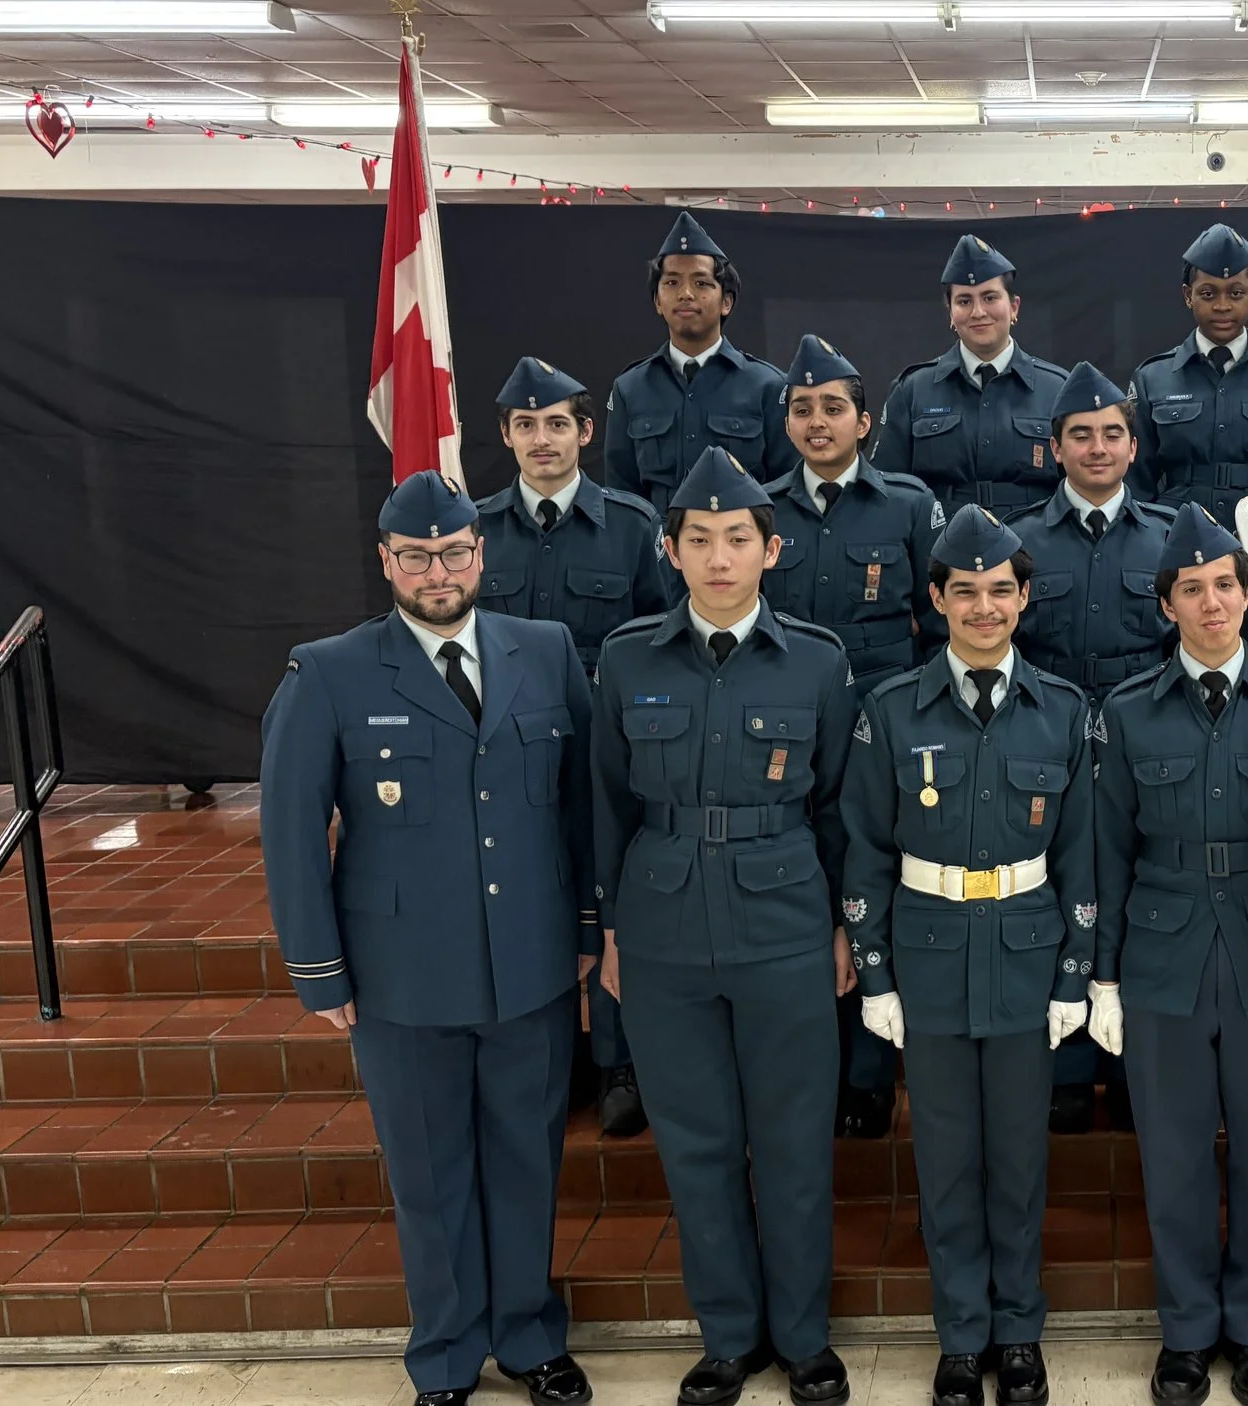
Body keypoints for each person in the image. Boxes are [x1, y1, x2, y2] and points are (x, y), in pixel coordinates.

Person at [259, 471, 595, 1406]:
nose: (437, 572)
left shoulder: (546, 651)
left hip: (528, 965)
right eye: (416, 557)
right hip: (400, 976)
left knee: (528, 1164)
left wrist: (585, 929)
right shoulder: (329, 671)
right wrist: (321, 972)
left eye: (452, 553)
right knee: (430, 1177)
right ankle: (445, 1353)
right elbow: (291, 832)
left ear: (481, 554)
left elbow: (580, 808)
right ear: (385, 562)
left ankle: (528, 1338)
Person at [590, 447, 856, 1406]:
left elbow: (840, 808)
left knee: (793, 1142)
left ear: (771, 550)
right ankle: (728, 1338)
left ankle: (804, 1338)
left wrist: (843, 927)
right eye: (698, 539)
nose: (717, 557)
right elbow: (606, 804)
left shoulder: (818, 660)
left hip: (785, 921)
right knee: (695, 1144)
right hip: (662, 927)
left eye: (736, 538)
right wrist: (609, 930)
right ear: (669, 551)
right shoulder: (626, 658)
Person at [840, 504, 1095, 1406]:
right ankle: (961, 1335)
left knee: (1019, 1159)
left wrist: (1075, 972)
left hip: (1026, 956)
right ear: (937, 599)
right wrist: (874, 971)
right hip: (930, 958)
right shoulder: (890, 711)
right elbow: (866, 847)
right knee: (946, 1160)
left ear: (1024, 598)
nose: (984, 608)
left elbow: (1081, 854)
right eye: (965, 592)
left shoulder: (1063, 710)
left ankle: (1017, 1330)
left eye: (1000, 591)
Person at [1088, 503, 1248, 1406]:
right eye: (1190, 589)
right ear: (1166, 607)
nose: (1211, 603)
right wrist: (1103, 976)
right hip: (1166, 957)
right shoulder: (1128, 713)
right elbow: (1107, 850)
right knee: (1176, 1157)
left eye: (1225, 585)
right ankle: (1189, 1332)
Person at [473, 354, 673, 1141]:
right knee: (528, 892)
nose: (542, 438)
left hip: (606, 747)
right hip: (507, 752)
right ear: (505, 436)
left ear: (586, 433)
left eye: (557, 423)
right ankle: (552, 1058)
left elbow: (659, 637)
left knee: (610, 889)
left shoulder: (632, 525)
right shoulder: (475, 531)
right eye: (526, 425)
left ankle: (620, 1063)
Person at [760, 332, 949, 1140]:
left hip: (882, 721)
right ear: (787, 423)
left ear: (864, 423)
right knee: (805, 888)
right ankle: (813, 1068)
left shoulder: (906, 504)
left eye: (833, 407)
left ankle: (871, 1075)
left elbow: (940, 619)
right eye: (803, 408)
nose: (818, 421)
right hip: (786, 728)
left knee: (873, 879)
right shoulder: (760, 509)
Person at [1007, 361, 1176, 1132]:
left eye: (1112, 434)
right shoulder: (1019, 541)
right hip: (1052, 747)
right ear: (1056, 448)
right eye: (1081, 435)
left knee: (1142, 898)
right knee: (1061, 895)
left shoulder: (1169, 539)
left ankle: (1136, 1064)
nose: (1098, 448)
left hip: (1148, 748)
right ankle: (1070, 1063)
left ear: (1134, 447)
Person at [604, 212, 796, 516]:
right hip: (657, 546)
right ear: (657, 301)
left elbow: (787, 490)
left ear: (726, 301)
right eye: (672, 282)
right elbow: (621, 497)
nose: (686, 294)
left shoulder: (769, 387)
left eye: (701, 282)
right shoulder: (630, 389)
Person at [1128, 223, 1248, 524]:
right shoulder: (1152, 378)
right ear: (1188, 295)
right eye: (1208, 294)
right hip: (1179, 533)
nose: (1222, 305)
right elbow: (1137, 482)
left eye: (1236, 293)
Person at [873, 234, 1071, 517]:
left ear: (1014, 307)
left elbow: (1078, 485)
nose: (978, 312)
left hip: (1031, 538)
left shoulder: (1057, 389)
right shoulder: (913, 390)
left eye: (990, 297)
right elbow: (887, 488)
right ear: (951, 314)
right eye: (964, 301)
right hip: (939, 538)